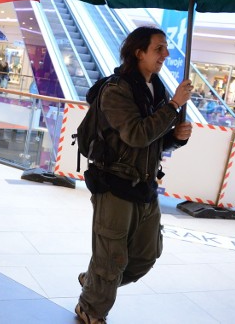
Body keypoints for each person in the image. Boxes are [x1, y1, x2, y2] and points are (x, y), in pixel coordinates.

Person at [75, 26, 193, 324]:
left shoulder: (157, 90)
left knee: (145, 256)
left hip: (145, 186)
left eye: (165, 48)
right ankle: (91, 309)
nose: (165, 54)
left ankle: (94, 279)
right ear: (139, 52)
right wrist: (174, 106)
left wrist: (175, 138)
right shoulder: (117, 89)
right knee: (112, 259)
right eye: (159, 48)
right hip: (114, 183)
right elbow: (136, 134)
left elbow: (152, 142)